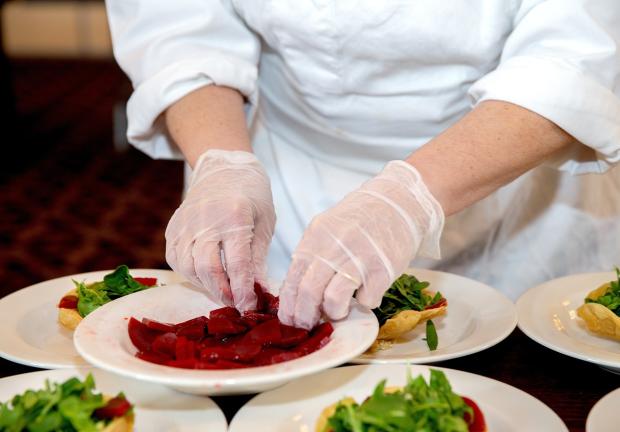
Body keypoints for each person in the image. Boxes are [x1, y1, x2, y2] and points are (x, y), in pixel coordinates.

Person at [106, 1, 620, 329]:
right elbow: (180, 26)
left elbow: (572, 63)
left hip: (508, 172)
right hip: (286, 172)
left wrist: (406, 200)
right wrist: (223, 162)